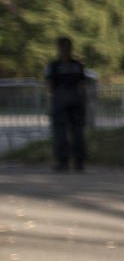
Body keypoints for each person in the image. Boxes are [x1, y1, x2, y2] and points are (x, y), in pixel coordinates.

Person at [45, 36, 89, 172]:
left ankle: (63, 162)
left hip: (60, 100)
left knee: (60, 132)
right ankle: (78, 162)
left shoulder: (54, 66)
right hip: (76, 100)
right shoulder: (78, 65)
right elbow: (82, 85)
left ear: (58, 48)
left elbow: (50, 86)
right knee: (77, 132)